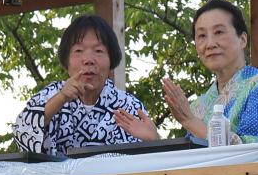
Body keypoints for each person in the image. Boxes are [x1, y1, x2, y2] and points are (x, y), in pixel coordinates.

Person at [14, 15, 158, 155]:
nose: (89, 60)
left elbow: (150, 165)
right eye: (78, 51)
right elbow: (22, 134)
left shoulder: (129, 106)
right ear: (66, 62)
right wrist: (61, 98)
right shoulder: (48, 96)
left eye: (98, 51)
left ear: (111, 62)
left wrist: (154, 142)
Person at [162, 0, 258, 144]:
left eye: (218, 32)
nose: (210, 44)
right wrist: (152, 139)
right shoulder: (198, 106)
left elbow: (256, 151)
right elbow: (190, 159)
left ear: (242, 39)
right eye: (202, 36)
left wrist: (190, 121)